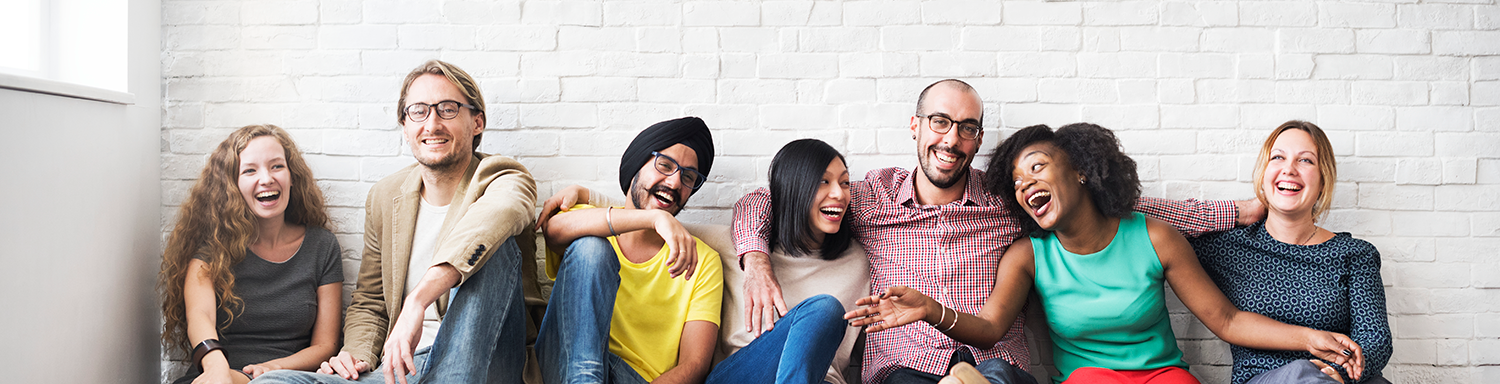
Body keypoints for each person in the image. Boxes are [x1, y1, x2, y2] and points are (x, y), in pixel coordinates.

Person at [732, 80, 1262, 384]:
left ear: (978, 139)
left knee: (996, 380)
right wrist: (755, 260)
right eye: (940, 122)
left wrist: (1232, 212)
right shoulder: (869, 196)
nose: (952, 139)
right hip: (902, 367)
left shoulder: (1008, 198)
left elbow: (1116, 205)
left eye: (966, 128)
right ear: (915, 126)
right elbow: (767, 199)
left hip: (992, 367)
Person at [847, 123, 1367, 384]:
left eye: (1037, 168)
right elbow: (988, 327)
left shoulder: (1154, 236)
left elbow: (1227, 319)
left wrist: (1310, 338)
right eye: (1016, 180)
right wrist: (927, 308)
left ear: (1079, 170)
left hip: (1166, 377)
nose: (1025, 184)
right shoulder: (1029, 254)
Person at [255, 60, 542, 384]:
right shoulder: (385, 196)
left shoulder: (504, 177)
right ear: (405, 126)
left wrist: (417, 301)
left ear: (477, 122)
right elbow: (371, 301)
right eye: (418, 111)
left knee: (493, 249)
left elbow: (503, 212)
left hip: (489, 362)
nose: (432, 124)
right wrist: (357, 355)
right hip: (403, 369)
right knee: (273, 381)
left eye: (448, 109)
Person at [1189, 121, 1392, 384]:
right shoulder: (1227, 247)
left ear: (1323, 181)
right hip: (1265, 378)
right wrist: (1236, 211)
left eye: (1305, 161)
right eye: (1278, 157)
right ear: (1263, 174)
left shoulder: (1354, 254)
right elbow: (1139, 217)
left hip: (1342, 380)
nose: (1289, 169)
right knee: (1303, 375)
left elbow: (1375, 338)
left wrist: (1340, 374)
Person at [536, 117, 724, 384]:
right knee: (592, 247)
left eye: (688, 176)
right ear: (637, 164)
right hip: (562, 364)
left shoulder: (702, 261)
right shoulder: (593, 222)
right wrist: (654, 219)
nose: (674, 183)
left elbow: (693, 365)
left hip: (634, 380)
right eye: (665, 165)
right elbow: (553, 230)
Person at [159, 124, 343, 384]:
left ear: (292, 175)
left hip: (288, 379)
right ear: (232, 185)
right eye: (250, 170)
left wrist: (272, 369)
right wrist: (217, 370)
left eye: (277, 166)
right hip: (219, 374)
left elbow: (326, 345)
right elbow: (200, 317)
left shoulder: (322, 247)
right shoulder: (212, 248)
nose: (266, 178)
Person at [708, 139, 870, 384]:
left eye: (844, 182)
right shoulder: (737, 245)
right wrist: (658, 219)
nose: (839, 193)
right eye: (822, 181)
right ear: (794, 188)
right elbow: (649, 233)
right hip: (741, 376)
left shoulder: (861, 261)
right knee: (825, 309)